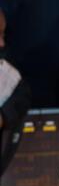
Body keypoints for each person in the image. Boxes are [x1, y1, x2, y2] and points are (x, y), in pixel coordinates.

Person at [0, 9, 31, 177]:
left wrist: (3, 115)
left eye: (3, 35)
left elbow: (24, 95)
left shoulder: (7, 68)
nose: (2, 44)